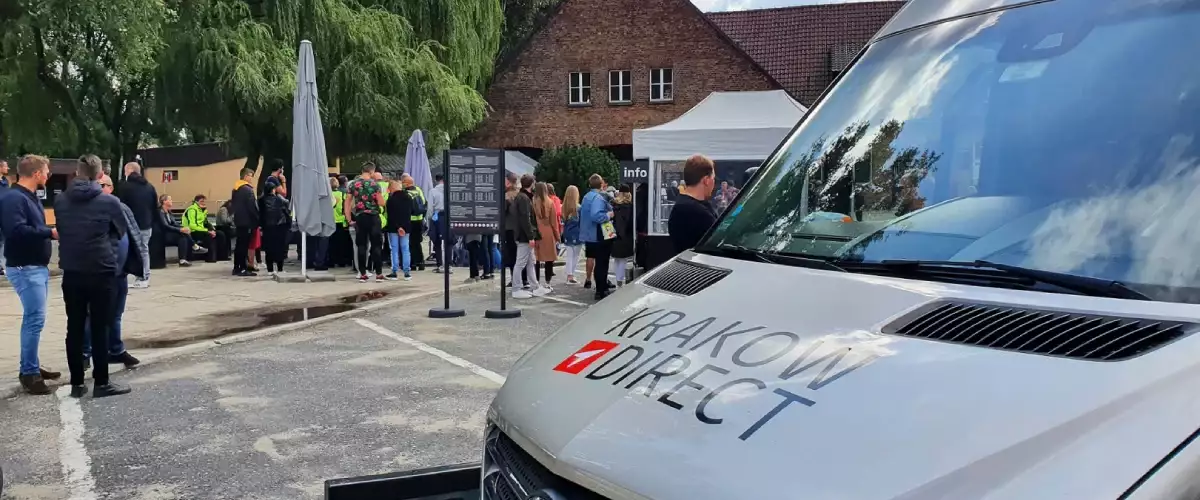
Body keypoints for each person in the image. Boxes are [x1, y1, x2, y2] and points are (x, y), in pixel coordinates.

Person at [54, 154, 132, 398]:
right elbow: (120, 231)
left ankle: (77, 383)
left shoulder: (61, 200)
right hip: (101, 269)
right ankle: (102, 382)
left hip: (73, 270)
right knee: (100, 327)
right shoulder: (109, 202)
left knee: (74, 327)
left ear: (76, 173)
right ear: (100, 175)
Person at [0, 155, 60, 394]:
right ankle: (29, 373)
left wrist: (46, 232)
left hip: (34, 266)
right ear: (36, 174)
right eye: (46, 172)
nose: (48, 175)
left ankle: (31, 365)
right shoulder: (14, 198)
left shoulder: (26, 196)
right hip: (25, 267)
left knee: (35, 319)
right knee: (34, 320)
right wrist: (49, 233)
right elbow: (16, 231)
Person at [83, 173, 143, 370]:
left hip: (120, 271)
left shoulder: (121, 207)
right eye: (96, 184)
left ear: (111, 187)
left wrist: (135, 263)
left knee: (116, 314)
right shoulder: (91, 208)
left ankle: (115, 350)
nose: (99, 188)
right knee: (93, 315)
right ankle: (85, 352)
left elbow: (133, 234)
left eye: (102, 184)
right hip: (101, 271)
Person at [116, 161, 157, 288]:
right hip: (146, 224)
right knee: (144, 250)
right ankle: (144, 276)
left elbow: (120, 206)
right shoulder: (150, 187)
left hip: (130, 224)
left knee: (127, 249)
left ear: (129, 171)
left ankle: (132, 275)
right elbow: (154, 206)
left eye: (125, 171)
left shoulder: (125, 187)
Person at [668, 154, 718, 255]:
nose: (714, 183)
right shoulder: (694, 211)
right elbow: (718, 240)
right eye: (713, 178)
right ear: (706, 180)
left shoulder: (685, 204)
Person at [345, 162, 385, 282]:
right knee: (376, 245)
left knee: (361, 245)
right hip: (373, 217)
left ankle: (362, 273)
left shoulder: (353, 185)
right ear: (372, 171)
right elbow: (381, 202)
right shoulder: (375, 185)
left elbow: (347, 203)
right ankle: (378, 273)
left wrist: (348, 218)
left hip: (360, 217)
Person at [508, 174, 544, 298]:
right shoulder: (524, 198)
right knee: (521, 262)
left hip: (523, 235)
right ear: (532, 184)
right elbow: (525, 219)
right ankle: (516, 288)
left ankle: (535, 286)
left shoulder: (522, 197)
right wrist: (530, 236)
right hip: (524, 236)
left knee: (529, 262)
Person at [580, 174, 615, 300]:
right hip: (599, 234)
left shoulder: (586, 197)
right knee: (602, 263)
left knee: (598, 262)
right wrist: (609, 215)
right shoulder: (598, 198)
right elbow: (596, 215)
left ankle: (601, 287)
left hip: (589, 234)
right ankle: (601, 290)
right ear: (601, 184)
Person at [532, 182, 561, 291]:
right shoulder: (550, 202)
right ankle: (547, 283)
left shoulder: (533, 202)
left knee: (536, 259)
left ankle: (536, 282)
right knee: (549, 259)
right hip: (548, 232)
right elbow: (554, 223)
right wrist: (558, 236)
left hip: (536, 232)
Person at [260, 173, 291, 275]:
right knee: (280, 248)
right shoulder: (278, 199)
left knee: (269, 249)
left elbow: (259, 214)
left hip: (267, 227)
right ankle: (280, 269)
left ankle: (270, 269)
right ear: (273, 189)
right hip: (279, 226)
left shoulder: (261, 200)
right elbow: (287, 203)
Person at [230, 168, 259, 276]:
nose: (252, 178)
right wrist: (257, 219)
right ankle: (243, 268)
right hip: (247, 221)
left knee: (239, 245)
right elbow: (252, 207)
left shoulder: (236, 189)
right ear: (246, 176)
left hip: (239, 220)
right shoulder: (247, 190)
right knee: (244, 245)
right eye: (251, 176)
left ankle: (237, 267)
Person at [383, 181, 413, 280]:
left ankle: (394, 272)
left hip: (393, 228)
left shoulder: (391, 199)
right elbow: (409, 213)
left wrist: (397, 227)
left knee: (394, 249)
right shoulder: (408, 198)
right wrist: (403, 227)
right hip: (406, 228)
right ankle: (407, 272)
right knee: (405, 249)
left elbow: (391, 215)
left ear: (392, 188)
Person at [157, 195, 196, 267]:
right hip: (163, 235)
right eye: (170, 199)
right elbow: (165, 226)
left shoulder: (169, 212)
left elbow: (175, 223)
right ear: (164, 201)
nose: (172, 201)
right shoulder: (160, 212)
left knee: (183, 236)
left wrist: (184, 228)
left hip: (170, 234)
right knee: (182, 233)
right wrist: (180, 230)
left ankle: (182, 260)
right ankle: (194, 246)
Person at [184, 194, 220, 263]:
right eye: (201, 201)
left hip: (200, 230)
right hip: (192, 231)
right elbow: (192, 225)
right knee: (208, 235)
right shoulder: (192, 210)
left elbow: (205, 223)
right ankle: (211, 258)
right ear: (196, 202)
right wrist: (207, 231)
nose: (203, 203)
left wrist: (212, 230)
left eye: (204, 201)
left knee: (220, 234)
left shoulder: (203, 210)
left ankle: (221, 256)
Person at [611, 185, 636, 286]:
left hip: (613, 234)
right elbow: (631, 222)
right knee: (622, 260)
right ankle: (619, 281)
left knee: (616, 259)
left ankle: (618, 280)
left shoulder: (614, 205)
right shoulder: (630, 206)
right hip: (626, 236)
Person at [402, 175, 428, 271]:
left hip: (409, 220)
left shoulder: (404, 192)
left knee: (409, 243)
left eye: (403, 182)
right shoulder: (418, 190)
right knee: (417, 242)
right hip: (419, 219)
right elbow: (424, 202)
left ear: (406, 182)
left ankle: (412, 263)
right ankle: (421, 262)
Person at [560, 185, 583, 284]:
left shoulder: (563, 207)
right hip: (577, 233)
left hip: (567, 233)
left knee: (569, 255)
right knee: (576, 256)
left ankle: (569, 275)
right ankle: (571, 275)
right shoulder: (578, 208)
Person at [329, 177, 353, 269]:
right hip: (341, 221)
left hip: (330, 221)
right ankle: (341, 261)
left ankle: (331, 261)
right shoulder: (342, 194)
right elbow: (345, 207)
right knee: (341, 243)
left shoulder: (327, 195)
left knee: (331, 243)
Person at [429, 173, 450, 273]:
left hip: (437, 216)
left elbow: (430, 208)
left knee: (437, 241)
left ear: (436, 180)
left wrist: (429, 218)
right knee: (448, 242)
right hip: (448, 217)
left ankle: (440, 265)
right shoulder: (450, 191)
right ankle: (449, 264)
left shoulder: (433, 191)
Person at [501, 171, 519, 285]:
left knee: (511, 255)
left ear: (508, 181)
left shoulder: (507, 196)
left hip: (509, 229)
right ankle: (521, 279)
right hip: (519, 229)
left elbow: (502, 212)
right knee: (519, 255)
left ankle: (514, 279)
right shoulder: (519, 194)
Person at [0, 159, 11, 276]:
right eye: (5, 166)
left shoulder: (5, 182)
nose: (7, 169)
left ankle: (2, 266)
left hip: (3, 213)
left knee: (3, 241)